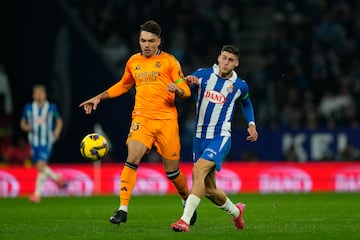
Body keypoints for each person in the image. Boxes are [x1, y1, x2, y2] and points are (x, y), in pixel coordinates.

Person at [79, 20, 197, 226]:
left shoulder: (170, 62)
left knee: (172, 171)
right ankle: (122, 209)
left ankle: (186, 198)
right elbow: (123, 85)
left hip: (166, 120)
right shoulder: (133, 61)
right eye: (143, 40)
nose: (147, 45)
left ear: (159, 41)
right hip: (141, 118)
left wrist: (178, 90)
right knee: (132, 156)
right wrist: (98, 97)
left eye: (151, 41)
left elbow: (186, 91)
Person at [171, 45, 258, 232]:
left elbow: (246, 102)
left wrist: (251, 124)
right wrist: (186, 82)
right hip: (199, 138)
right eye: (224, 58)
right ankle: (236, 212)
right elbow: (183, 89)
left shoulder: (239, 85)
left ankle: (184, 221)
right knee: (209, 190)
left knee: (198, 172)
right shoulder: (202, 75)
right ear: (219, 57)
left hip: (220, 137)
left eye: (231, 60)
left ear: (236, 63)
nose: (226, 62)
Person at [20, 84, 65, 203]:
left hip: (47, 141)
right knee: (40, 168)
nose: (39, 95)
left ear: (45, 95)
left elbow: (59, 120)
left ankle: (37, 194)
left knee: (41, 165)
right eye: (37, 93)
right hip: (34, 142)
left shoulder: (51, 108)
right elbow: (22, 123)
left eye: (41, 93)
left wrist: (57, 131)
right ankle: (56, 178)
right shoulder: (28, 108)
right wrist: (26, 127)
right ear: (33, 95)